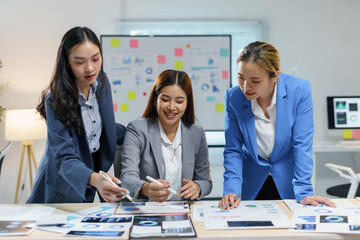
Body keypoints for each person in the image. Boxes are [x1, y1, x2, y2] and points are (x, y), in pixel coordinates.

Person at [219, 41, 336, 209]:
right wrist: (231, 189)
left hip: (288, 179)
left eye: (255, 81)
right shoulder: (234, 97)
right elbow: (233, 148)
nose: (246, 87)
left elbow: (301, 143)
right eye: (241, 78)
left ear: (274, 76)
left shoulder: (299, 90)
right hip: (251, 179)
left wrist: (304, 190)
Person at [27, 27, 128, 203]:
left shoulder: (102, 84)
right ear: (67, 62)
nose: (90, 68)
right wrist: (96, 179)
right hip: (60, 185)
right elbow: (64, 157)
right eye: (80, 62)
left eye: (96, 59)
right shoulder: (55, 99)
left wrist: (140, 133)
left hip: (88, 182)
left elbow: (105, 128)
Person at [120, 69, 212, 202]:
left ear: (187, 103)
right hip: (148, 211)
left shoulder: (197, 133)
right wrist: (145, 188)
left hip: (183, 211)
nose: (171, 107)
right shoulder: (137, 129)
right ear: (155, 99)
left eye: (179, 101)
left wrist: (197, 187)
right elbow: (127, 177)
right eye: (165, 99)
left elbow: (206, 182)